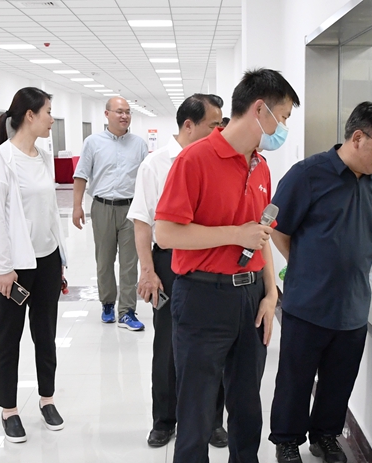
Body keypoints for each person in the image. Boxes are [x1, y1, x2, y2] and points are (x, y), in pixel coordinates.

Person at [155, 68, 300, 463]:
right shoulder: (194, 159)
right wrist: (235, 234)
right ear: (260, 109)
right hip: (203, 296)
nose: (283, 127)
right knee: (197, 409)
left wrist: (270, 294)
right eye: (283, 117)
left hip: (251, 298)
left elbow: (261, 237)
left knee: (247, 406)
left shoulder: (261, 166)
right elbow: (166, 233)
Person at [268, 101, 372, 463]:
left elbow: (370, 240)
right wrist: (303, 265)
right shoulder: (308, 175)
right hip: (308, 302)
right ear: (358, 138)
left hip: (353, 305)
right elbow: (277, 228)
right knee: (296, 378)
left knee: (339, 380)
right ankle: (287, 440)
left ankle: (325, 436)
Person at [127, 94, 228, 448]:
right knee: (168, 345)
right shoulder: (155, 165)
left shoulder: (219, 161)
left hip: (211, 264)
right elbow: (142, 222)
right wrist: (148, 271)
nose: (220, 131)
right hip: (169, 264)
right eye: (213, 125)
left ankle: (212, 421)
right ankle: (164, 420)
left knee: (214, 345)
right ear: (189, 125)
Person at [0, 87, 68, 443]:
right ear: (30, 115)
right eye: (48, 112)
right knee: (8, 337)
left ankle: (47, 399)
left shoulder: (44, 156)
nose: (52, 119)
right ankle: (9, 408)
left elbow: (48, 211)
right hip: (15, 267)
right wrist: (3, 267)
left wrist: (61, 259)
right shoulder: (1, 159)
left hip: (47, 260)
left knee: (45, 333)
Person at [72, 97, 148, 330]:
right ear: (107, 114)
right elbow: (81, 175)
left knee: (129, 263)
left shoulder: (139, 144)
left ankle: (127, 311)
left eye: (128, 112)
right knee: (104, 261)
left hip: (131, 209)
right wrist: (77, 206)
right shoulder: (93, 142)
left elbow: (146, 179)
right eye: (119, 111)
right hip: (102, 207)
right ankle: (107, 303)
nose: (124, 116)